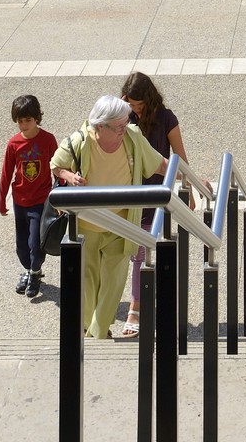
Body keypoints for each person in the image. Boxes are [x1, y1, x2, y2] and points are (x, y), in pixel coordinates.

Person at [49, 94, 168, 340]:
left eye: (126, 123)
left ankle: (99, 333)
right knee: (88, 284)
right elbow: (55, 165)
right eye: (118, 127)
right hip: (86, 225)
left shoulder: (132, 137)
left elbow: (159, 164)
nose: (124, 129)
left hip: (121, 225)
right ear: (100, 126)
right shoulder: (79, 140)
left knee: (113, 286)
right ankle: (84, 330)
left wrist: (189, 177)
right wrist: (69, 176)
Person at [119, 71, 207, 340]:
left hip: (157, 193)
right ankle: (138, 304)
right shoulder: (123, 117)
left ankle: (136, 308)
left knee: (142, 253)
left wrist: (189, 188)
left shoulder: (166, 118)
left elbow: (179, 156)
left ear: (148, 98)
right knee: (132, 251)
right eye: (130, 103)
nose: (135, 108)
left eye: (138, 104)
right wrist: (123, 110)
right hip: (130, 190)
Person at [0, 93, 59, 300]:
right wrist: (1, 200)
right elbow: (6, 173)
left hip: (40, 200)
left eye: (28, 120)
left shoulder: (48, 140)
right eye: (20, 121)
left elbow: (58, 168)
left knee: (35, 242)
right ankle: (30, 269)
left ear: (37, 119)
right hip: (19, 200)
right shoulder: (14, 144)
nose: (24, 125)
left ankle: (34, 273)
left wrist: (59, 199)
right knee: (21, 245)